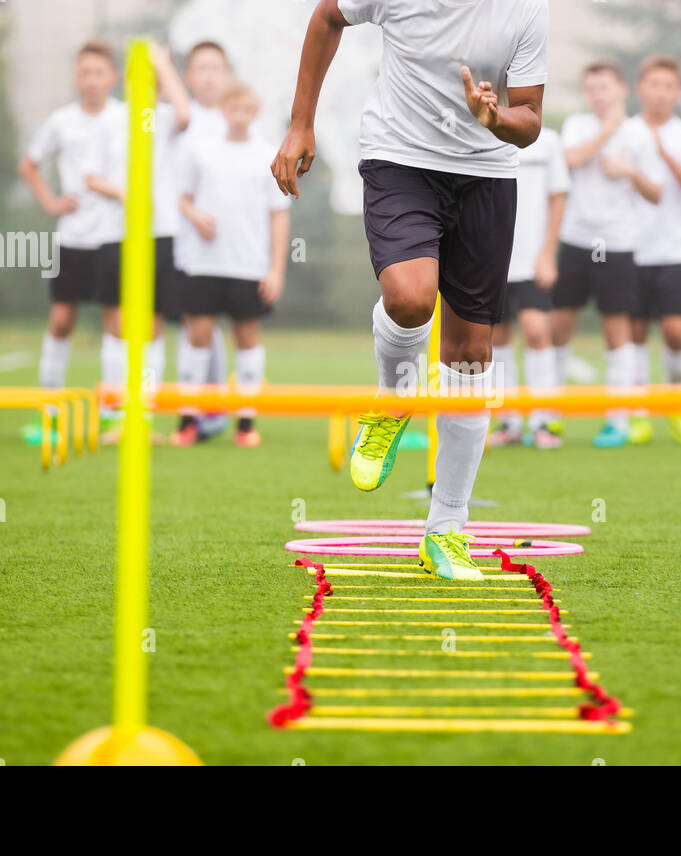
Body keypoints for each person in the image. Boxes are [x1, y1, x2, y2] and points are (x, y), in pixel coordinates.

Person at [272, 0, 548, 580]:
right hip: (400, 158)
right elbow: (327, 17)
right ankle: (393, 397)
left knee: (472, 355)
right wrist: (301, 123)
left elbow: (530, 120)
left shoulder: (526, 9)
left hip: (487, 175)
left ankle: (446, 530)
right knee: (410, 295)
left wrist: (494, 120)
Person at [172, 79, 289, 448]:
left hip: (248, 266)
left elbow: (279, 215)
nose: (240, 117)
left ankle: (246, 423)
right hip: (204, 264)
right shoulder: (201, 151)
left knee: (248, 341)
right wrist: (195, 216)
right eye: (233, 109)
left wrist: (276, 269)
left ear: (256, 112)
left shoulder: (268, 155)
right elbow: (183, 198)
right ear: (223, 110)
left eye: (247, 110)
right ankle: (187, 421)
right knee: (198, 338)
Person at [551, 60, 661, 449]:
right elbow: (569, 160)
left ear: (622, 90)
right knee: (557, 329)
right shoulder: (578, 126)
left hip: (617, 245)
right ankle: (550, 417)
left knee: (618, 332)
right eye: (591, 88)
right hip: (576, 241)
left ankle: (618, 420)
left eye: (604, 87)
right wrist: (608, 130)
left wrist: (631, 172)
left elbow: (656, 193)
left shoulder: (641, 135)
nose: (598, 95)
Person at [86, 43, 191, 443]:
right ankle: (115, 416)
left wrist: (163, 64)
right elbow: (91, 177)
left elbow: (185, 113)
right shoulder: (109, 122)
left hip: (160, 233)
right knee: (115, 324)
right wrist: (124, 193)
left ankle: (142, 418)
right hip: (116, 234)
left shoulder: (163, 117)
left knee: (151, 327)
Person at [18, 40, 122, 420]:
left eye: (97, 72)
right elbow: (29, 164)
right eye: (83, 73)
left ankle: (113, 409)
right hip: (73, 236)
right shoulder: (62, 121)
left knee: (117, 321)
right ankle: (50, 407)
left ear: (112, 76)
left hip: (114, 234)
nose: (90, 80)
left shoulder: (125, 118)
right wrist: (50, 201)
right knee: (62, 320)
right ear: (76, 78)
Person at [628, 54, 681, 446]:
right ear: (641, 88)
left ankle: (675, 397)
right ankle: (639, 410)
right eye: (654, 85)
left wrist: (665, 154)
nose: (660, 93)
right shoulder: (625, 131)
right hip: (628, 248)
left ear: (677, 93)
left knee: (676, 331)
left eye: (668, 86)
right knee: (635, 331)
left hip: (675, 249)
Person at [488, 124, 568, 450]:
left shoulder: (548, 141)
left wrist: (548, 253)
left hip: (533, 260)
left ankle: (543, 420)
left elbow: (558, 197)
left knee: (536, 330)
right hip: (492, 260)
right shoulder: (483, 136)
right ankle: (509, 422)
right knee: (497, 337)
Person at [174, 40, 237, 440]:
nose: (210, 75)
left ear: (227, 74)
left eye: (217, 67)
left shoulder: (237, 119)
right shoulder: (179, 118)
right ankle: (198, 408)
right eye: (201, 68)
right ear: (188, 77)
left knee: (225, 324)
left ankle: (217, 407)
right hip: (185, 237)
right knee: (195, 323)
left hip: (232, 243)